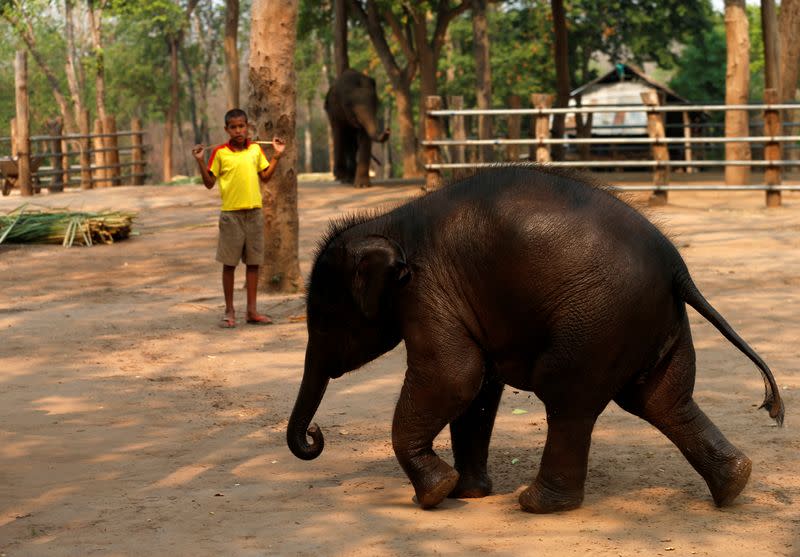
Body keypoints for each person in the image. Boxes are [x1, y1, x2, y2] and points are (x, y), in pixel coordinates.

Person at [191, 108, 286, 328]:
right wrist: (199, 161)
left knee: (253, 264)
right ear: (227, 130)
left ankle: (252, 311)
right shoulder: (220, 153)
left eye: (241, 126)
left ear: (247, 127)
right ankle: (229, 311)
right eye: (233, 127)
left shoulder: (255, 150)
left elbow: (266, 177)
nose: (238, 131)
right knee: (229, 264)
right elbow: (209, 183)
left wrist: (278, 155)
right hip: (231, 216)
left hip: (254, 213)